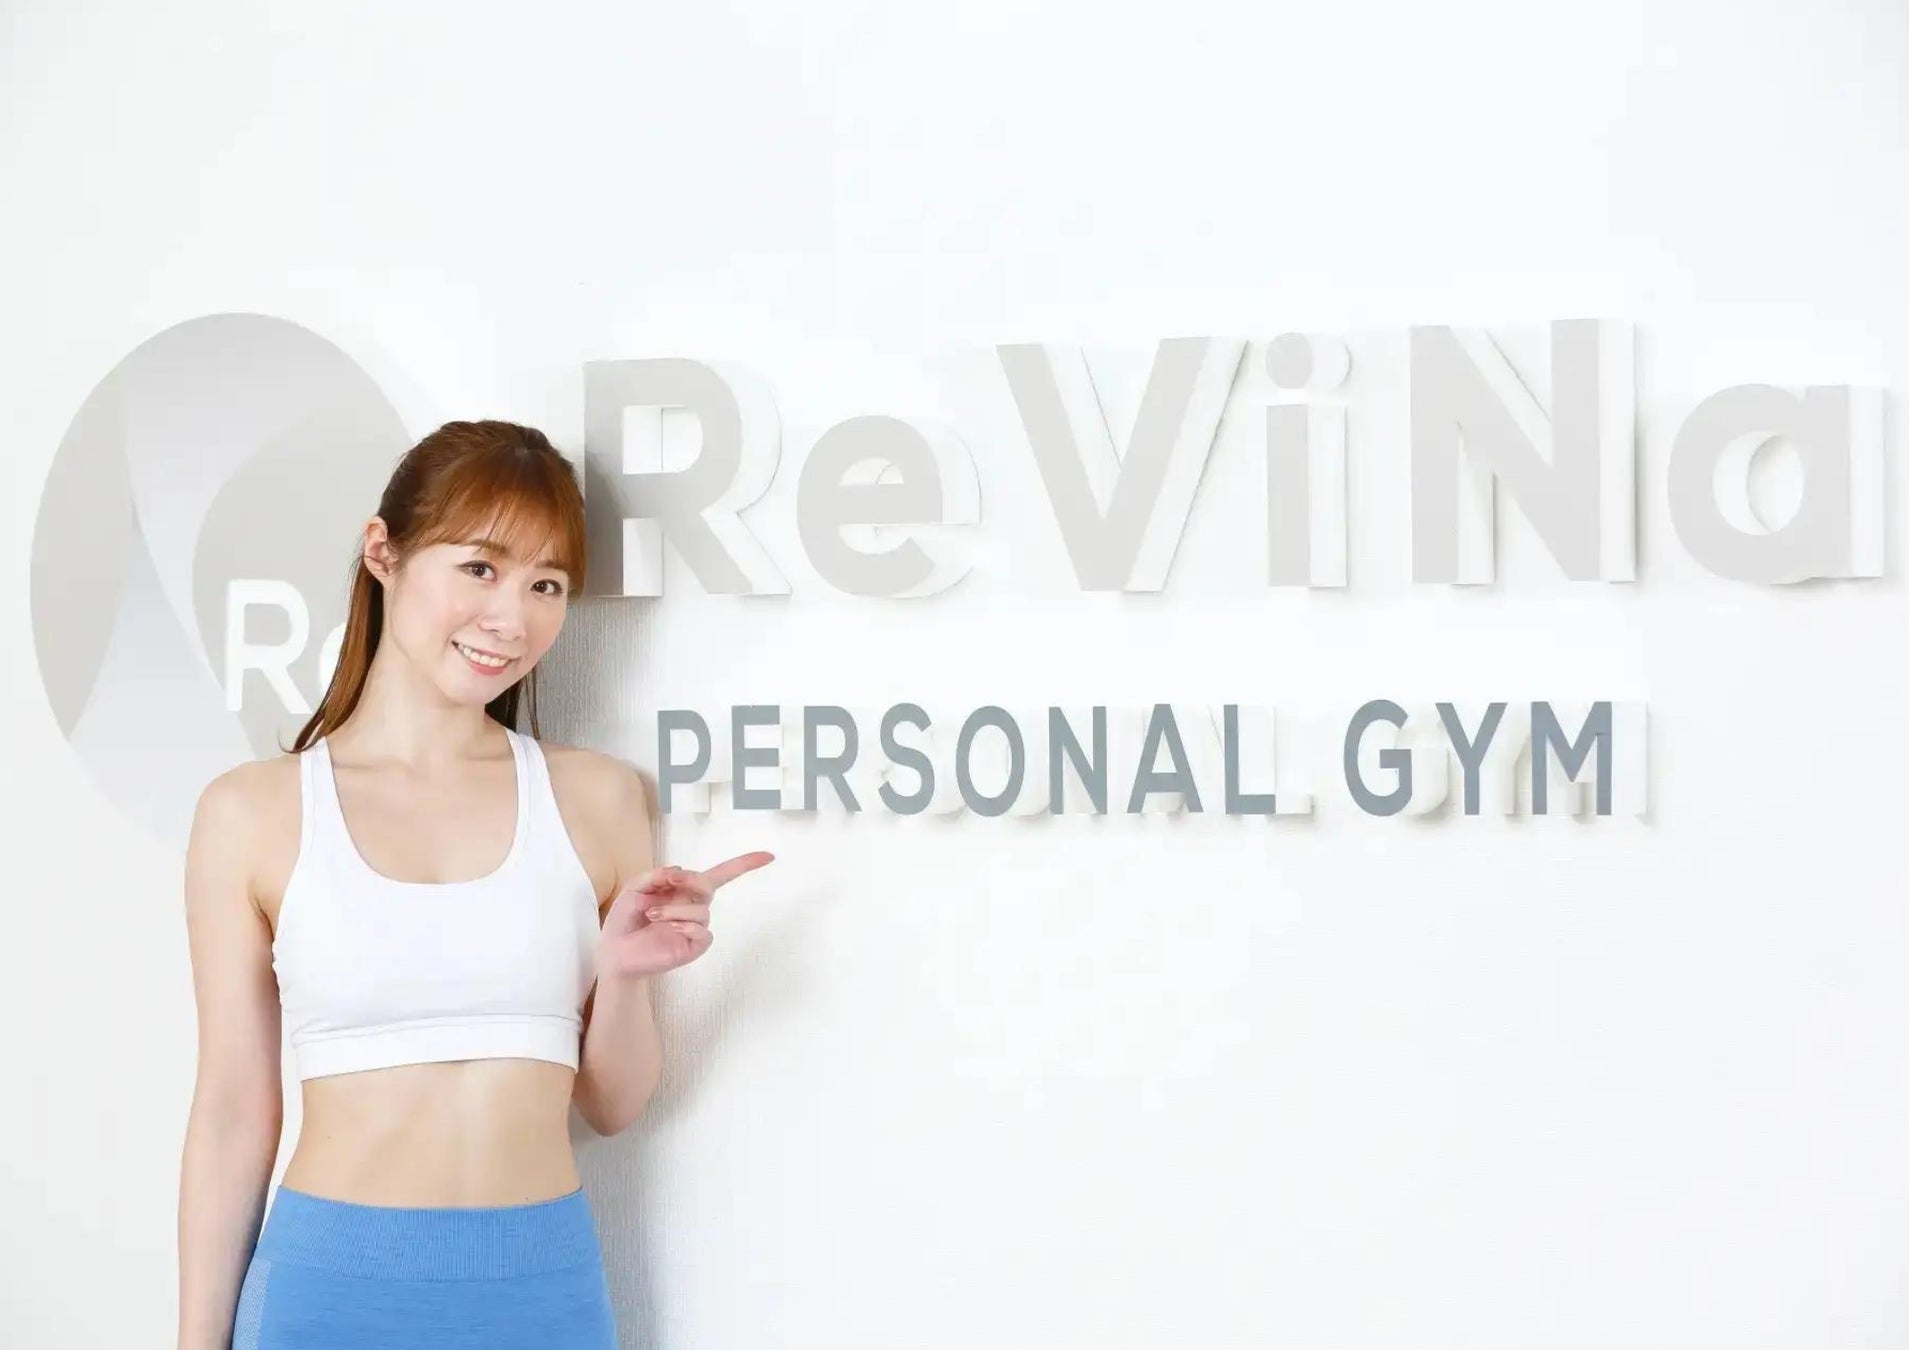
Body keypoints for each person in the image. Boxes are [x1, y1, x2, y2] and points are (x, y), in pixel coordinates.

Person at [174, 420, 774, 1349]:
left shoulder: (596, 797)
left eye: (546, 585)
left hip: (542, 1291)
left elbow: (612, 1106)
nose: (512, 618)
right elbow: (230, 1113)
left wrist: (622, 974)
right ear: (383, 552)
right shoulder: (251, 811)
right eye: (480, 568)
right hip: (326, 1294)